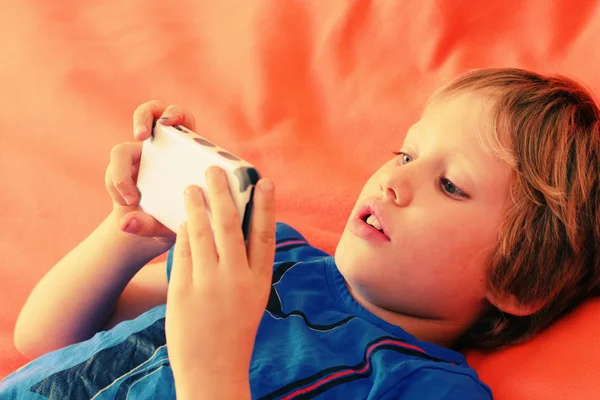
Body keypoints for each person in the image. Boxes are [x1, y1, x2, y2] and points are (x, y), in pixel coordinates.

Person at [2, 68, 599, 399]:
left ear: (518, 278)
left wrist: (213, 373)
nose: (394, 180)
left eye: (451, 185)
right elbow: (44, 339)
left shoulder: (428, 389)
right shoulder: (270, 251)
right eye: (406, 152)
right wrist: (130, 232)